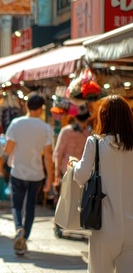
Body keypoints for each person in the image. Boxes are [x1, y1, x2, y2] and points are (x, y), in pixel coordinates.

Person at [71, 95, 133, 273]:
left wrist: (74, 165)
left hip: (104, 226)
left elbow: (81, 176)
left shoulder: (96, 143)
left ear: (103, 116)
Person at [3, 93, 55, 255]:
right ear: (41, 109)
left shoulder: (16, 124)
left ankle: (19, 228)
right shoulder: (46, 128)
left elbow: (7, 149)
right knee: (31, 207)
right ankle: (24, 239)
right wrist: (50, 180)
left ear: (26, 106)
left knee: (16, 205)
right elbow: (48, 156)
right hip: (37, 174)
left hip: (18, 171)